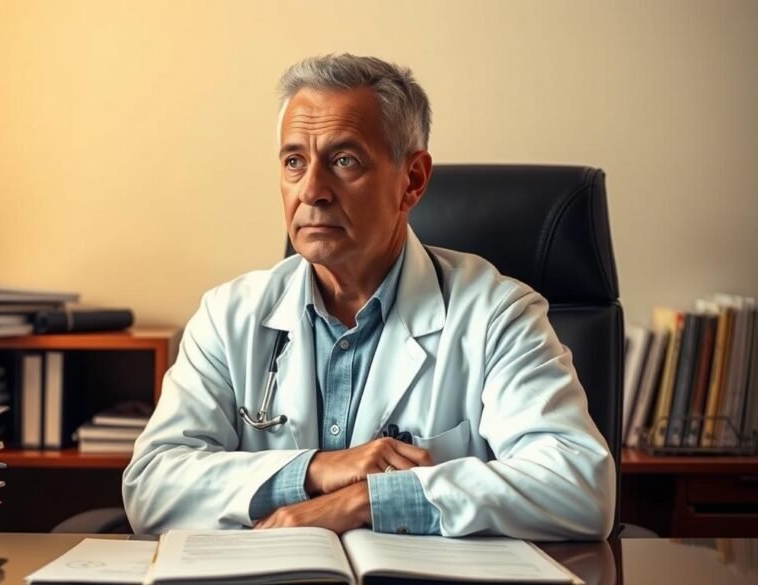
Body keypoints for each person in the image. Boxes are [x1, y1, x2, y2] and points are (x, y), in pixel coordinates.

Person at [122, 54, 615, 540]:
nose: (312, 190)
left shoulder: (496, 314)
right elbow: (152, 486)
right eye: (294, 161)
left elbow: (580, 486)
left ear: (412, 181)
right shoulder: (229, 315)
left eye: (344, 160)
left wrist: (366, 501)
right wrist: (314, 471)